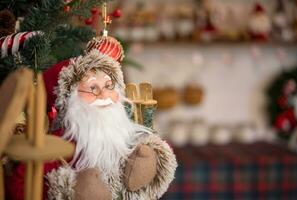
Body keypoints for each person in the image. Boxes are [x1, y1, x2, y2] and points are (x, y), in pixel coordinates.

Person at [6, 36, 177, 200]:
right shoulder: (63, 143)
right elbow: (21, 185)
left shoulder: (123, 133)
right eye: (93, 88)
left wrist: (151, 157)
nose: (104, 94)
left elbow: (157, 146)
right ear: (69, 98)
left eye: (109, 86)